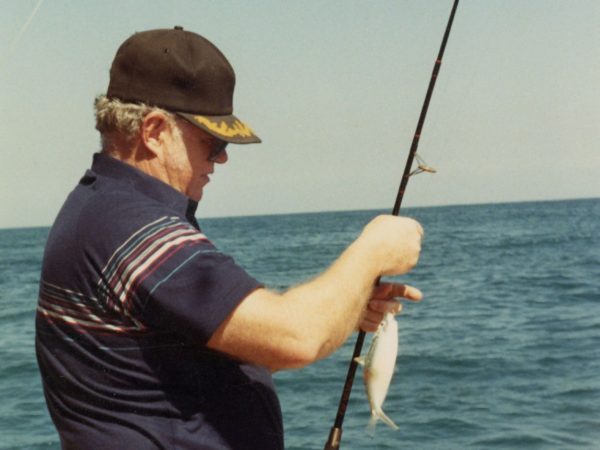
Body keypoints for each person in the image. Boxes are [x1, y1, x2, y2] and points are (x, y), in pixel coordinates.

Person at [35, 27, 424, 450]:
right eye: (212, 141)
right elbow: (294, 338)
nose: (222, 158)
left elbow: (229, 351)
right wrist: (372, 250)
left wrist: (345, 308)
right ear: (153, 131)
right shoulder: (131, 229)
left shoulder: (100, 209)